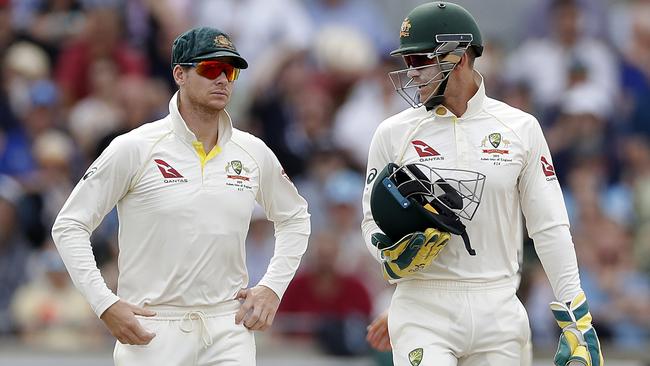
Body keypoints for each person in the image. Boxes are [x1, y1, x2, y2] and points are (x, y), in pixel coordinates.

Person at [361, 2, 603, 366]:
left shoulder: (520, 128)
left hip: (500, 306)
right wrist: (388, 254)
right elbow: (370, 220)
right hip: (423, 307)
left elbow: (549, 225)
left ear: (458, 57)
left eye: (418, 62)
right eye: (407, 63)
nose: (410, 74)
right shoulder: (393, 132)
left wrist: (576, 318)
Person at [52, 27, 311, 366]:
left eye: (229, 71)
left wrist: (272, 288)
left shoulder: (252, 151)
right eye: (209, 69)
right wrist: (105, 303)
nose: (222, 79)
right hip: (151, 329)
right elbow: (69, 225)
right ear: (179, 74)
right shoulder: (135, 148)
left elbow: (295, 217)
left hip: (227, 328)